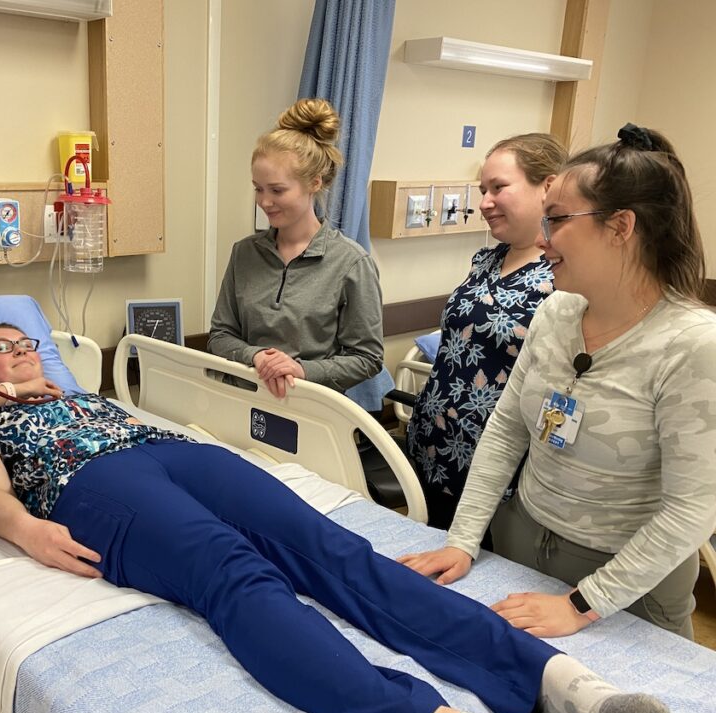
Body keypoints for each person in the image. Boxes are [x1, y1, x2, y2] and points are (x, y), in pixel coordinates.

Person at [0, 321, 671, 713]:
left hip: (168, 449)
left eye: (25, 343)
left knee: (332, 547)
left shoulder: (85, 395)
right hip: (91, 483)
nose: (19, 354)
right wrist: (27, 531)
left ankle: (545, 677)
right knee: (233, 573)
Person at [400, 124, 716, 641]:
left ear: (620, 227)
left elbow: (691, 510)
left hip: (625, 585)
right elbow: (506, 431)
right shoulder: (556, 312)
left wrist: (581, 604)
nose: (543, 239)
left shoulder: (693, 345)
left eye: (558, 220)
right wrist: (462, 540)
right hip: (522, 543)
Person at [406, 133, 564, 531]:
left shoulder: (562, 274)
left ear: (547, 186)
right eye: (482, 190)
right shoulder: (487, 260)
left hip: (496, 469)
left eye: (499, 187)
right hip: (432, 449)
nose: (485, 202)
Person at [208, 98, 383, 401]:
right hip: (244, 402)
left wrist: (300, 370)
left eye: (277, 190)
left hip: (311, 409)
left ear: (314, 183)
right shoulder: (244, 254)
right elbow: (220, 336)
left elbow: (367, 358)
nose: (264, 202)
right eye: (258, 189)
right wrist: (257, 356)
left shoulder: (351, 263)